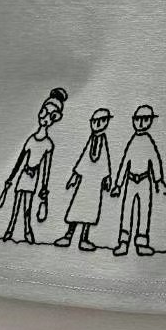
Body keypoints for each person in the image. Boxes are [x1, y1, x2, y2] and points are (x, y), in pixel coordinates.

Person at [0, 88, 68, 244]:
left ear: (55, 118)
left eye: (52, 116)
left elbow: (46, 169)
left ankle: (27, 230)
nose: (46, 118)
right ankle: (10, 229)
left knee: (27, 206)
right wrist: (10, 179)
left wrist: (44, 188)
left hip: (32, 178)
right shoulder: (30, 140)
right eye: (44, 112)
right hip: (23, 175)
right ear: (41, 112)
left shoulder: (48, 145)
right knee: (16, 204)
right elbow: (19, 161)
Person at [111, 104, 166, 256]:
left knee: (144, 211)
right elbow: (125, 163)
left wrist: (158, 181)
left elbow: (154, 161)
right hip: (130, 181)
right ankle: (123, 242)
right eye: (138, 119)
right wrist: (118, 185)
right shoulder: (133, 141)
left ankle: (141, 242)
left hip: (144, 181)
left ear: (150, 121)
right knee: (127, 210)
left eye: (145, 119)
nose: (141, 123)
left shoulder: (148, 141)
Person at [54, 107, 113, 251]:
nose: (98, 124)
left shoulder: (103, 140)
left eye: (102, 121)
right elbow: (84, 159)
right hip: (84, 180)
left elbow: (105, 160)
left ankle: (84, 239)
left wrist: (107, 177)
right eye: (95, 121)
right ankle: (68, 235)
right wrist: (74, 176)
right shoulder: (91, 140)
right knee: (77, 206)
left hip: (95, 181)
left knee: (90, 210)